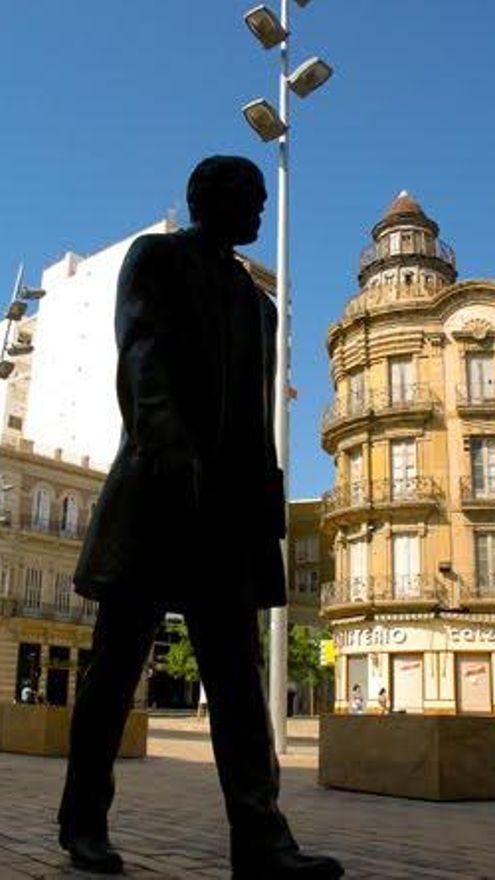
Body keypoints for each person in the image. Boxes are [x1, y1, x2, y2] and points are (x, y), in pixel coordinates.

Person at [57, 155, 344, 879]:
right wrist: (166, 444)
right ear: (205, 199)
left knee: (240, 685)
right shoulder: (156, 258)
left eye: (263, 200)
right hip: (158, 490)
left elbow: (254, 412)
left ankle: (262, 840)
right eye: (249, 198)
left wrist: (265, 495)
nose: (259, 211)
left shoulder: (258, 305)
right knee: (114, 672)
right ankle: (83, 822)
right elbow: (141, 354)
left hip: (227, 513)